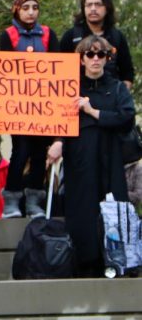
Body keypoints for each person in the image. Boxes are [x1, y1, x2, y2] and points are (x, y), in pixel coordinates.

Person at [47, 35, 135, 277]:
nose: (95, 59)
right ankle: (83, 262)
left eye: (101, 55)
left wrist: (92, 111)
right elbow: (58, 120)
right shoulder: (71, 87)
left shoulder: (117, 88)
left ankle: (115, 260)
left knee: (113, 208)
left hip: (110, 157)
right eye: (90, 54)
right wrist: (57, 142)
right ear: (82, 59)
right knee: (81, 208)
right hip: (80, 156)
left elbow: (126, 117)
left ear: (108, 59)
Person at [0, 0, 59, 218]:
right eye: (26, 8)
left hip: (43, 108)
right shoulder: (8, 36)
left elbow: (58, 68)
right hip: (18, 107)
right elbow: (2, 70)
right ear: (17, 10)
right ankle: (11, 201)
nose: (31, 12)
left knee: (39, 153)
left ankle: (34, 202)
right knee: (20, 152)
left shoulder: (49, 35)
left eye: (35, 7)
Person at [60, 0, 134, 91]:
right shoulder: (71, 36)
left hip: (110, 100)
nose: (93, 9)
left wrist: (121, 97)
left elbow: (127, 74)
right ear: (83, 8)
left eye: (98, 4)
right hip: (78, 98)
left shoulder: (117, 37)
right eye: (89, 5)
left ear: (107, 7)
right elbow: (59, 72)